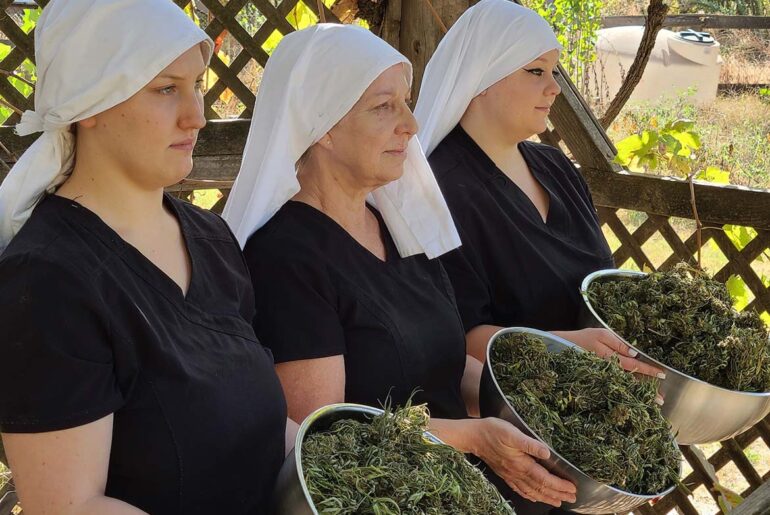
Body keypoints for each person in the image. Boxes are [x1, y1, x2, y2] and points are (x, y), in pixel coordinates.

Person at [223, 23, 577, 509]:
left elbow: (450, 368)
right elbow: (325, 434)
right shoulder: (285, 257)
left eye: (406, 102)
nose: (410, 124)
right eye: (384, 106)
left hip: (456, 488)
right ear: (323, 125)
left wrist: (534, 416)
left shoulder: (398, 227)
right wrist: (474, 438)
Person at [0, 1, 289, 513]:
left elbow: (257, 418)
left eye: (197, 84)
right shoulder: (46, 281)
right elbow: (71, 506)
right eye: (165, 88)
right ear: (88, 103)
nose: (197, 114)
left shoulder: (212, 239)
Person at [413, 1, 662, 512]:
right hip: (511, 457)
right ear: (482, 78)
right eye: (535, 72)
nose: (555, 88)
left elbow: (603, 290)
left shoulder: (556, 168)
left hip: (594, 438)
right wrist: (565, 349)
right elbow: (457, 334)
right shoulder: (441, 188)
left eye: (555, 71)